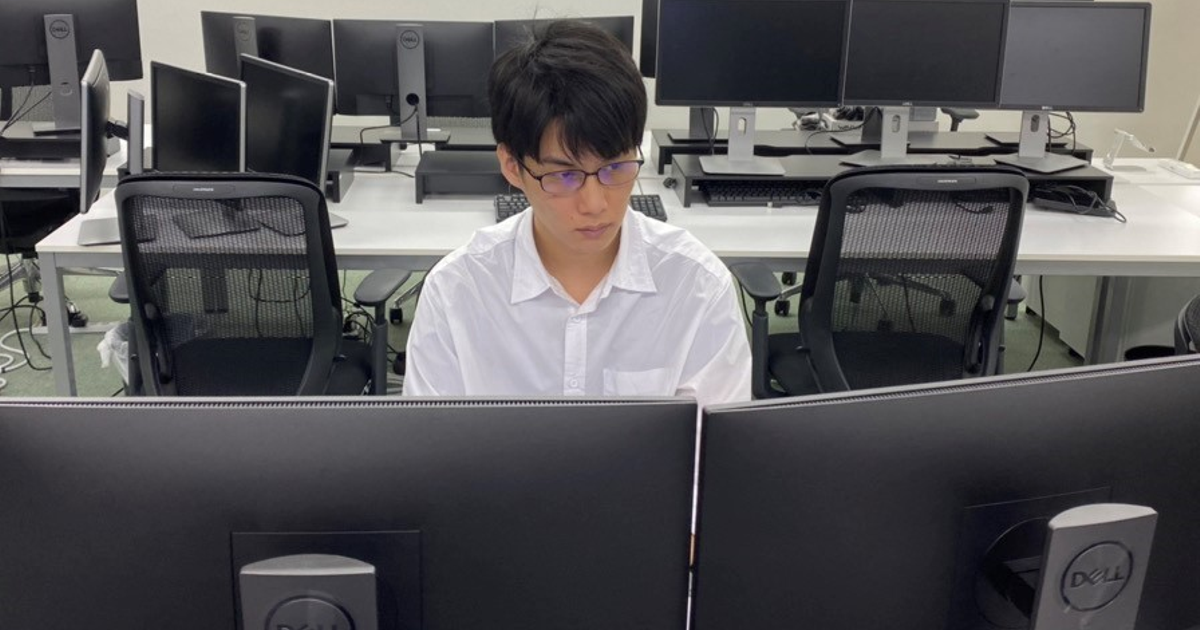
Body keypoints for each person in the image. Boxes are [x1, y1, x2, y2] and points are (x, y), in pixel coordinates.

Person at [403, 19, 751, 407]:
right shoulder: (457, 293)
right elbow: (432, 440)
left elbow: (714, 439)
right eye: (564, 175)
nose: (595, 204)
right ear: (513, 167)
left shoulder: (696, 286)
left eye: (615, 168)